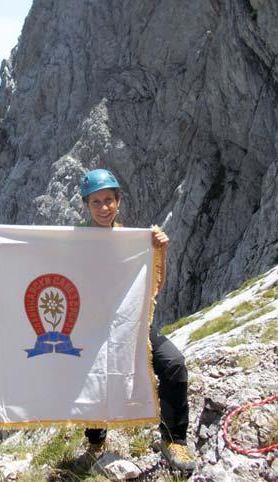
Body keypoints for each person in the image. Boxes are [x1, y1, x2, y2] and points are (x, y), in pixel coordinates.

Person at [79, 168, 196, 473]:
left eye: (109, 200)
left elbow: (154, 285)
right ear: (86, 206)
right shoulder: (75, 243)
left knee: (173, 363)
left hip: (132, 325)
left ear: (118, 201)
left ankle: (174, 440)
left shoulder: (132, 241)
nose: (104, 207)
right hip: (93, 327)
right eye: (96, 202)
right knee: (95, 377)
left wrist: (160, 251)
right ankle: (95, 440)